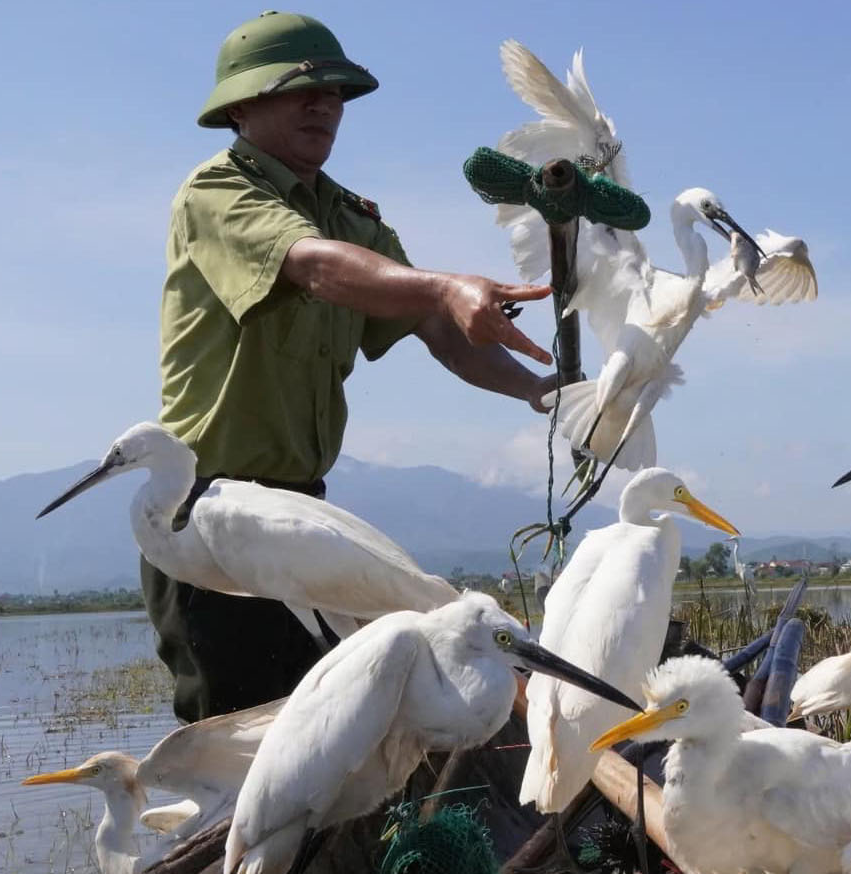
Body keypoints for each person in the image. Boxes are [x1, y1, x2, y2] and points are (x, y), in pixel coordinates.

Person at [145, 11, 555, 723]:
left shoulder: (351, 216)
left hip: (303, 512)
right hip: (206, 513)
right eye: (299, 91)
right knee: (233, 725)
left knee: (321, 721)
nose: (324, 106)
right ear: (241, 108)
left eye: (335, 93)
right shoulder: (219, 192)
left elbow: (441, 330)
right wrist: (442, 286)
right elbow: (314, 266)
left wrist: (543, 392)